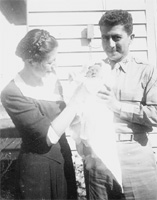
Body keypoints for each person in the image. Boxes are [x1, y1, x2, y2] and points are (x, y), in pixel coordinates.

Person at [0, 29, 88, 200]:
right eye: (50, 62)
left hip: (62, 161)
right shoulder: (12, 93)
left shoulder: (51, 80)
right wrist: (77, 98)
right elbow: (49, 136)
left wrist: (74, 91)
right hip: (37, 171)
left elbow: (65, 118)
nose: (55, 66)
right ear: (31, 61)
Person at [82, 9, 157, 200]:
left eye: (116, 37)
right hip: (99, 161)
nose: (110, 44)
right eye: (105, 38)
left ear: (131, 37)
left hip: (134, 158)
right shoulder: (92, 70)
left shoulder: (146, 71)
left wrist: (117, 106)